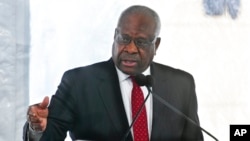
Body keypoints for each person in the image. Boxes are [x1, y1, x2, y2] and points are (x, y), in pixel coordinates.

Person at [23, 5, 204, 141]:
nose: (130, 49)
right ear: (115, 36)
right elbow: (50, 134)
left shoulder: (181, 84)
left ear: (156, 45)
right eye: (124, 39)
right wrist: (38, 129)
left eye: (140, 42)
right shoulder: (79, 83)